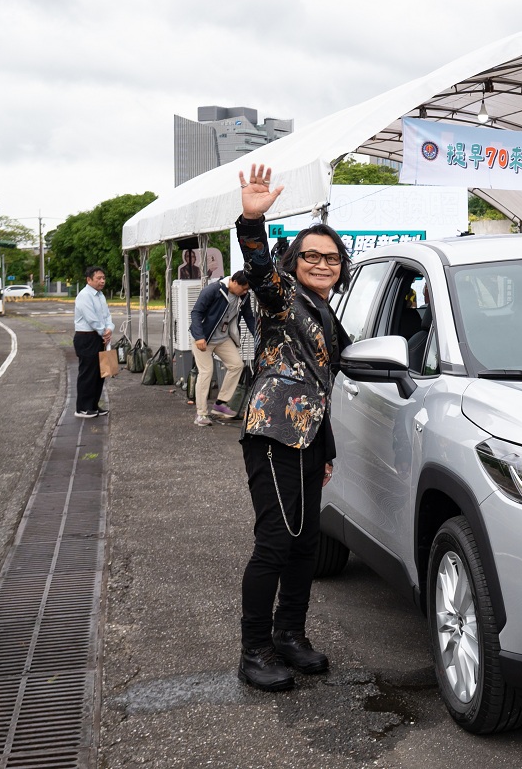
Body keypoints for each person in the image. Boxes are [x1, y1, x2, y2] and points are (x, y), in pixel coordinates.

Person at [235, 163, 354, 691]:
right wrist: (252, 221)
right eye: (312, 256)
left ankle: (289, 635)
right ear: (295, 262)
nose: (322, 264)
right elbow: (260, 270)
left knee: (306, 544)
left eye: (331, 258)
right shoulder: (283, 298)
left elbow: (321, 385)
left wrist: (325, 449)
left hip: (309, 440)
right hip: (274, 434)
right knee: (275, 543)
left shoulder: (327, 313)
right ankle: (254, 651)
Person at [190, 270, 257, 426]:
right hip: (204, 338)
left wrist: (258, 337)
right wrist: (199, 336)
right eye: (244, 288)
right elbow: (196, 313)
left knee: (237, 365)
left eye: (247, 290)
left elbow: (249, 317)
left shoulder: (243, 297)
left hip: (222, 339)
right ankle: (201, 414)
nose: (245, 292)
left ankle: (220, 404)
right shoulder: (213, 290)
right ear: (234, 282)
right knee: (206, 372)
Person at [72, 266, 114, 418]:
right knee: (88, 373)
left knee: (99, 374)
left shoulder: (100, 295)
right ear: (89, 280)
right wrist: (104, 332)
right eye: (99, 278)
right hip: (86, 338)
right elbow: (92, 318)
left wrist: (109, 329)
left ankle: (93, 405)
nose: (102, 281)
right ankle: (82, 408)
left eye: (103, 278)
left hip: (99, 336)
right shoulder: (84, 295)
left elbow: (107, 315)